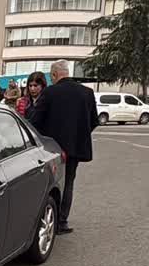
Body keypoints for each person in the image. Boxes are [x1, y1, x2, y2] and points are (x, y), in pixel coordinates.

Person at [27, 60, 98, 234]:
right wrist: (78, 134)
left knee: (50, 184)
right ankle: (62, 222)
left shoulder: (50, 93)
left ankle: (44, 219)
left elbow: (35, 121)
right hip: (75, 147)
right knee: (69, 183)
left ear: (54, 75)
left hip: (52, 148)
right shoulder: (87, 93)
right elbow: (94, 121)